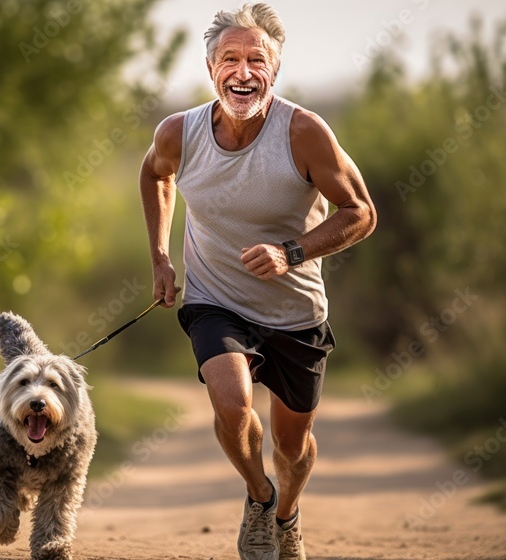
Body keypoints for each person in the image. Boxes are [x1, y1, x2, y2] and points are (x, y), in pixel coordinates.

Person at [139, 3, 376, 559]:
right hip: (214, 299)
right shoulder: (179, 132)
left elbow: (361, 212)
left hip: (296, 312)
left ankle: (288, 512)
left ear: (274, 70)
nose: (242, 72)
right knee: (230, 401)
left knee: (292, 447)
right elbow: (154, 173)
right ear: (209, 68)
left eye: (256, 59)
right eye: (230, 59)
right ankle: (259, 497)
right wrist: (159, 256)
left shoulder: (305, 132)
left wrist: (292, 252)